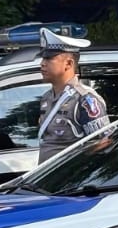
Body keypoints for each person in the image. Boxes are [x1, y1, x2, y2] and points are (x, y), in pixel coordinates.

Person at [35, 27, 110, 161]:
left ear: (68, 64)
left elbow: (103, 143)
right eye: (43, 59)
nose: (42, 64)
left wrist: (75, 162)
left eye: (48, 59)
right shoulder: (46, 98)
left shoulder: (84, 99)